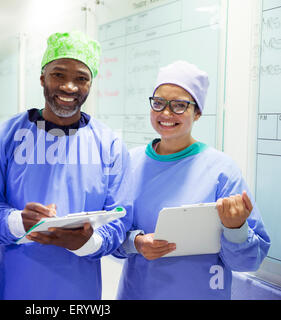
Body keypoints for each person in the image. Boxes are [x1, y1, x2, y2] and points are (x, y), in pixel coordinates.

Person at [0, 31, 132, 300]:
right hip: (14, 286)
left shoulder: (109, 145)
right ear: (42, 78)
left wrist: (87, 242)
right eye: (58, 74)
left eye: (81, 78)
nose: (69, 86)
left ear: (90, 84)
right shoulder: (4, 138)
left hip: (78, 292)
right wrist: (18, 222)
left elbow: (120, 218)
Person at [114, 60, 271, 300]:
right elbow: (110, 236)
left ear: (197, 112)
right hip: (138, 293)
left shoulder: (221, 170)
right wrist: (136, 242)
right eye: (158, 103)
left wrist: (236, 229)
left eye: (179, 106)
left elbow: (248, 261)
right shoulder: (130, 163)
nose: (166, 113)